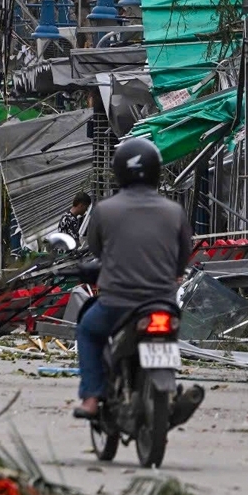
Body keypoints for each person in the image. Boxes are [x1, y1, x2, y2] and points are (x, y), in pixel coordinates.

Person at [74, 138, 192, 421]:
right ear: (156, 171)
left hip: (117, 303)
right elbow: (183, 255)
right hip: (163, 303)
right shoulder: (175, 211)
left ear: (119, 171)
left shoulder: (104, 210)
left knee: (88, 331)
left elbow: (98, 250)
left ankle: (91, 397)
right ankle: (171, 392)